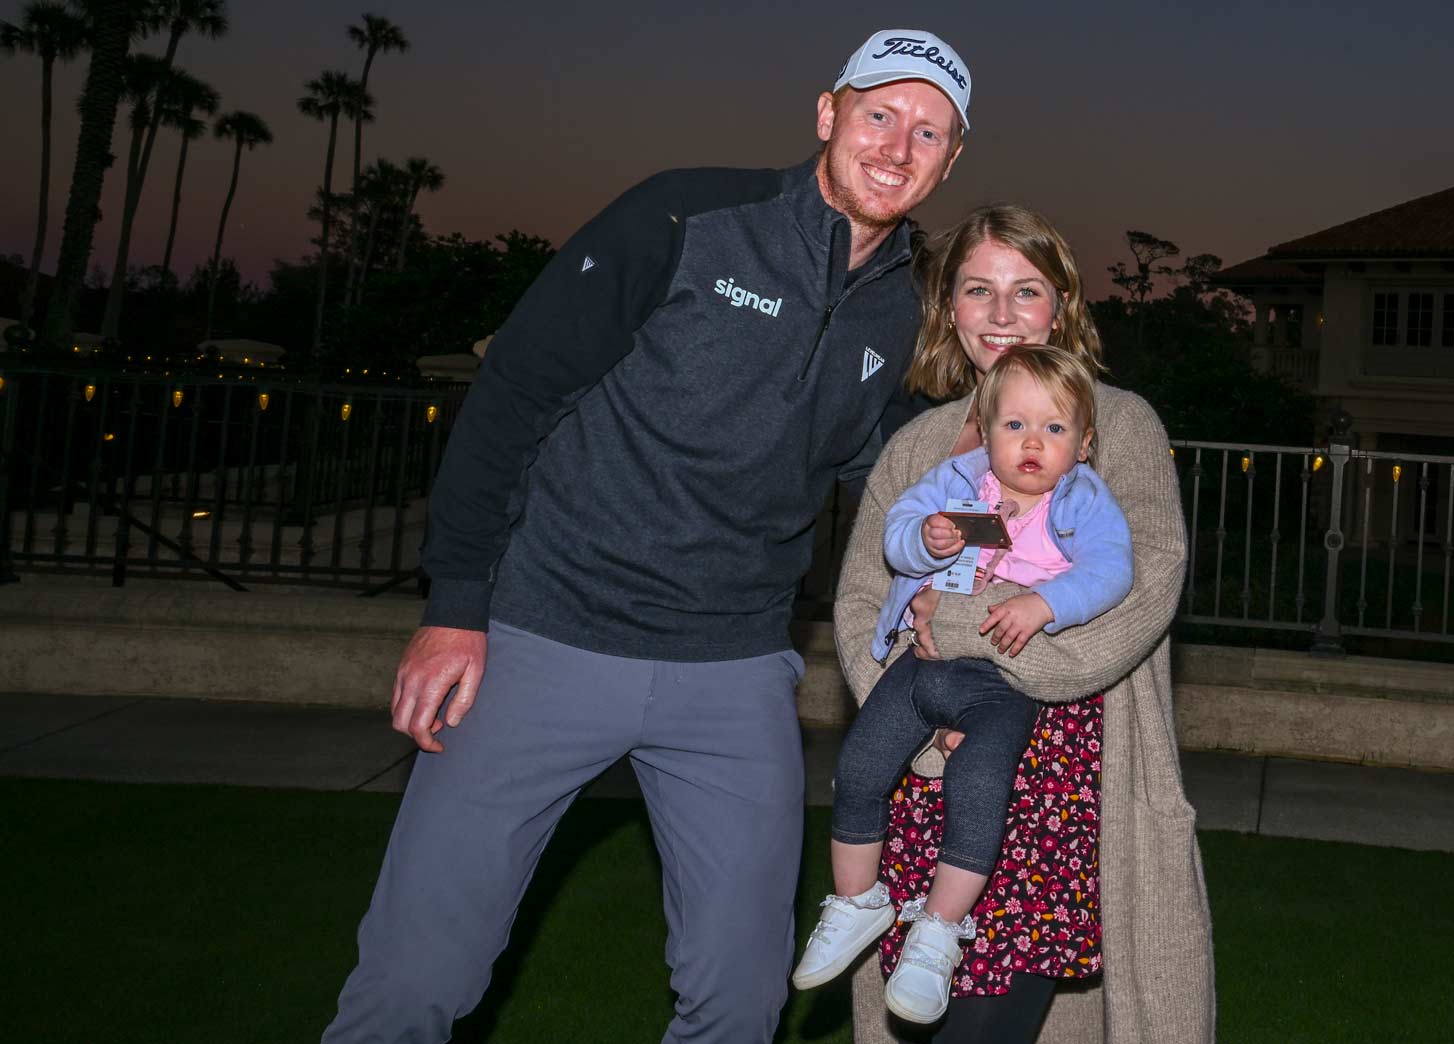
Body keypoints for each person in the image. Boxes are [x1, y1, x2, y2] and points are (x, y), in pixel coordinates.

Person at [322, 29, 971, 1044]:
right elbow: (514, 394)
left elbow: (905, 474)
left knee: (740, 1002)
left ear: (950, 159)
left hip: (733, 669)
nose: (896, 144)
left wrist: (1014, 531)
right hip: (541, 638)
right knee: (413, 983)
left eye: (927, 130)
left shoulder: (910, 302)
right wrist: (455, 607)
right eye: (878, 113)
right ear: (826, 114)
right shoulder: (684, 213)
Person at [832, 205, 1215, 1043]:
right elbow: (864, 603)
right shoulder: (918, 448)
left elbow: (1144, 591)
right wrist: (927, 727)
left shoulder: (1116, 428)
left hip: (1061, 783)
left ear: (1062, 306)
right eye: (979, 290)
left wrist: (974, 634)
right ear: (949, 310)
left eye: (1026, 290)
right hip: (925, 775)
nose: (1002, 314)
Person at [794, 345, 1134, 1024]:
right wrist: (927, 537)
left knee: (978, 792)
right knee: (858, 768)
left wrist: (1045, 603)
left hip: (1001, 686)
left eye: (1055, 429)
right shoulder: (956, 480)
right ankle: (858, 901)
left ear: (1084, 445)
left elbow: (1113, 569)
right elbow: (894, 540)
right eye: (1014, 426)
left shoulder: (1082, 500)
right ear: (985, 429)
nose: (1033, 443)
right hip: (922, 668)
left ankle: (939, 932)